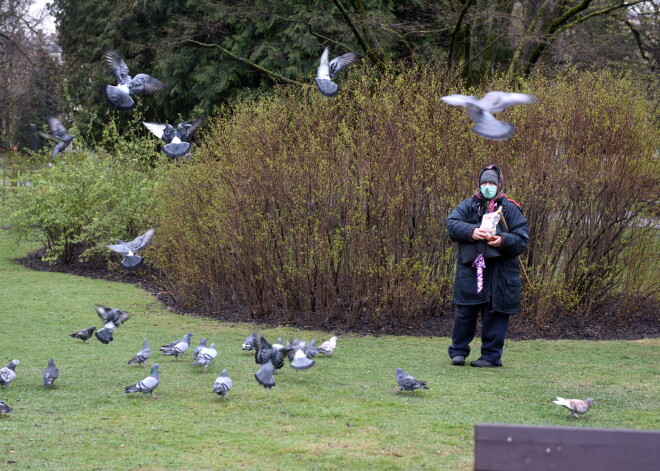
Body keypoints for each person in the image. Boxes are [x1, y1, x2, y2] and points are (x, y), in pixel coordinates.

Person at [445, 164, 529, 367]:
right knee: (465, 313)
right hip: (471, 272)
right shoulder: (468, 205)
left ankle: (491, 357)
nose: (488, 187)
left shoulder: (510, 208)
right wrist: (472, 231)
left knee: (496, 314)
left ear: (499, 184)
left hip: (501, 274)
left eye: (492, 183)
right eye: (485, 183)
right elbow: (452, 224)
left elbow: (522, 239)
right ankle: (458, 352)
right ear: (479, 185)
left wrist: (502, 240)